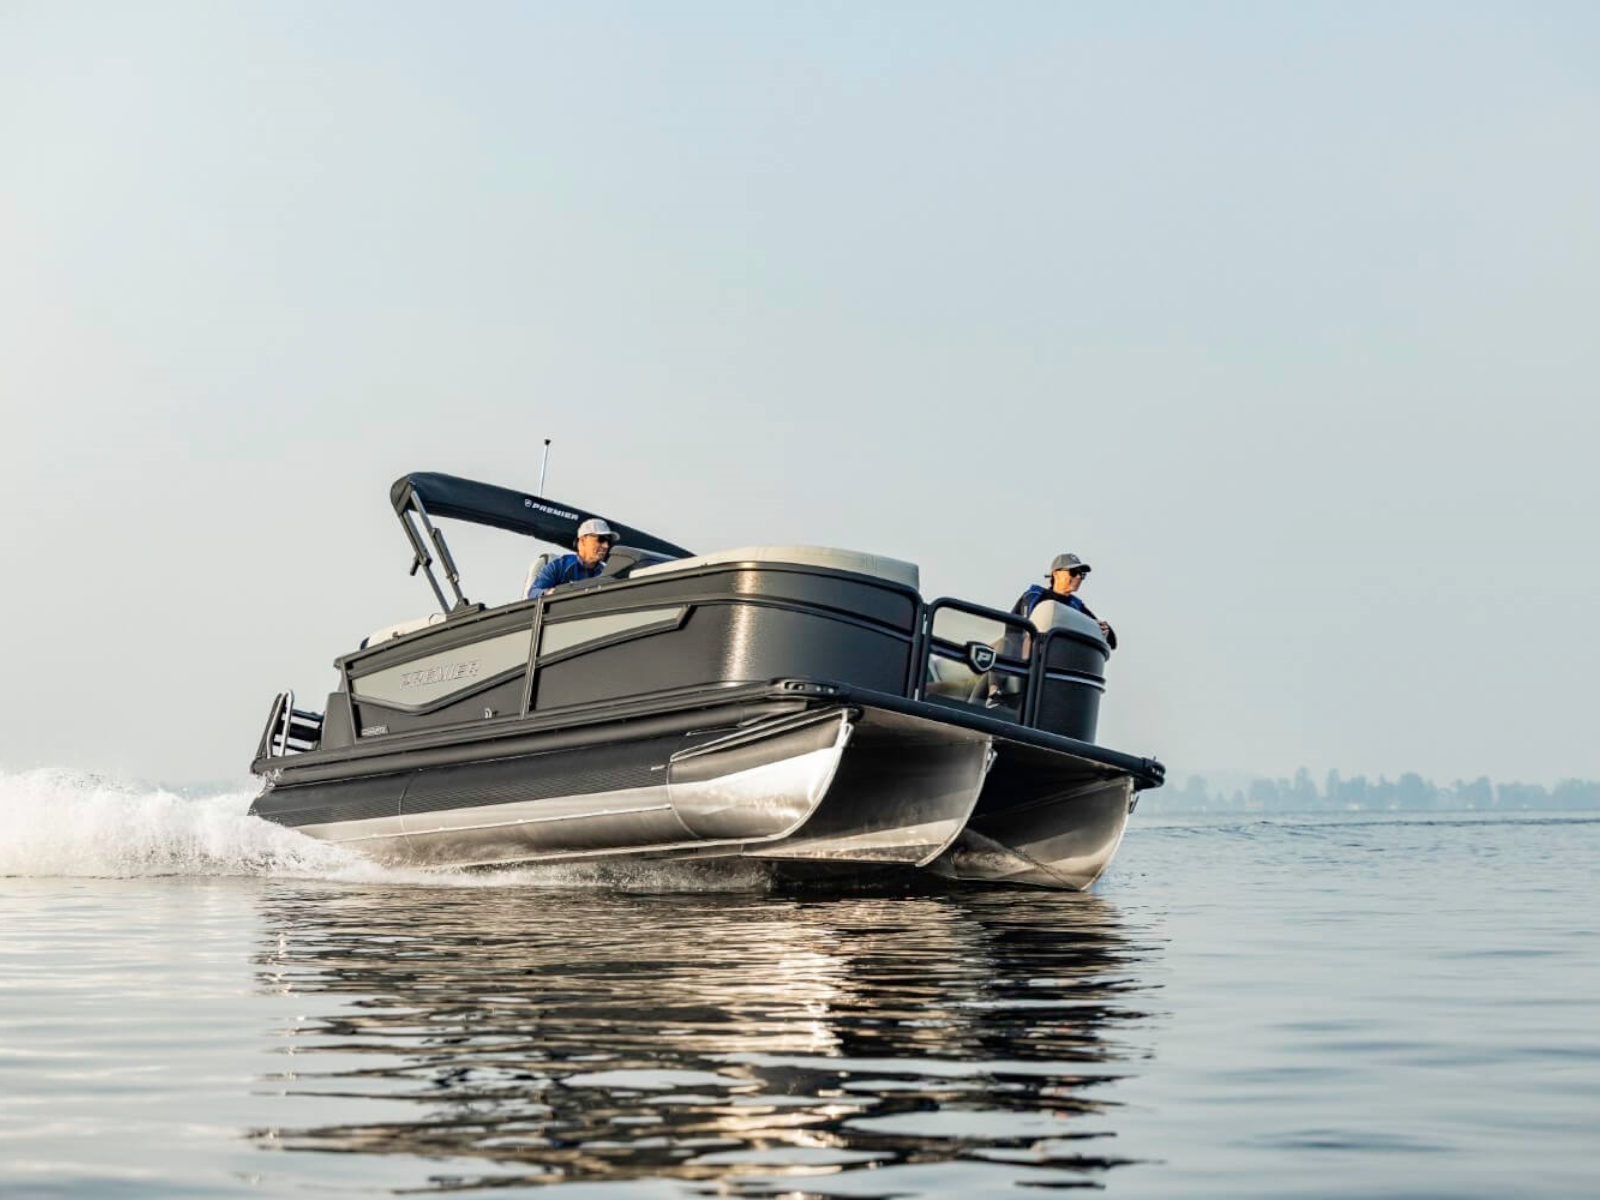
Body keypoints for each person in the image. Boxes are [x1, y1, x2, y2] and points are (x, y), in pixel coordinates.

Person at [1012, 553, 1118, 649]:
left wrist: (1106, 630)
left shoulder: (1077, 606)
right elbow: (1010, 629)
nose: (1078, 577)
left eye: (1081, 574)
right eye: (1073, 572)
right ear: (1056, 574)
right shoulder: (1033, 596)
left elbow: (1112, 642)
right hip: (1028, 659)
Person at [526, 518, 617, 598]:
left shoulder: (606, 574)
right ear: (583, 541)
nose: (606, 546)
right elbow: (533, 592)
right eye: (601, 539)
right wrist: (550, 593)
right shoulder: (559, 566)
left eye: (608, 541)